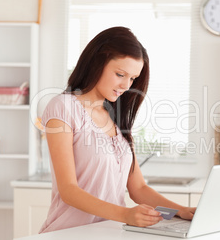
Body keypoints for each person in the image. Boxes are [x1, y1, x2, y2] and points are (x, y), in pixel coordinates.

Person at [39, 26, 196, 233]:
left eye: (132, 78)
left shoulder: (116, 117)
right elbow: (69, 190)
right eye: (120, 74)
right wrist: (126, 214)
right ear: (97, 62)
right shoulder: (63, 107)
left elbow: (138, 188)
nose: (126, 85)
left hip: (110, 233)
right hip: (68, 233)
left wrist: (181, 211)